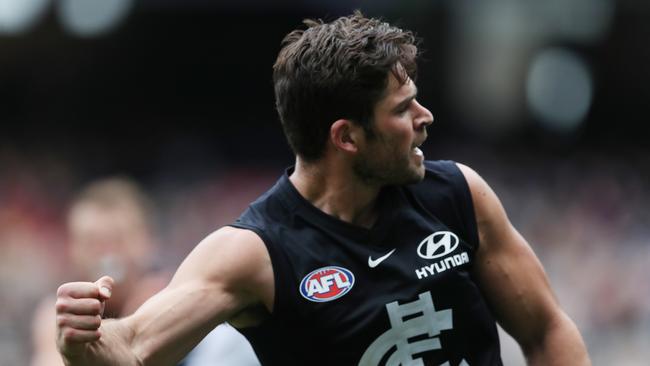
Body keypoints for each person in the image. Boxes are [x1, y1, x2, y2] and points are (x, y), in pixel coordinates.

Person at [54, 12, 590, 365]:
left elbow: (545, 330)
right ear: (346, 137)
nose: (426, 118)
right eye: (403, 110)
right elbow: (134, 347)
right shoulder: (255, 252)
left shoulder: (457, 194)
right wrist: (85, 345)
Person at [33, 177, 258, 366]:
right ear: (73, 248)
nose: (105, 254)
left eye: (117, 239)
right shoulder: (57, 316)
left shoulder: (186, 299)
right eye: (92, 241)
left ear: (147, 242)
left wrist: (138, 330)